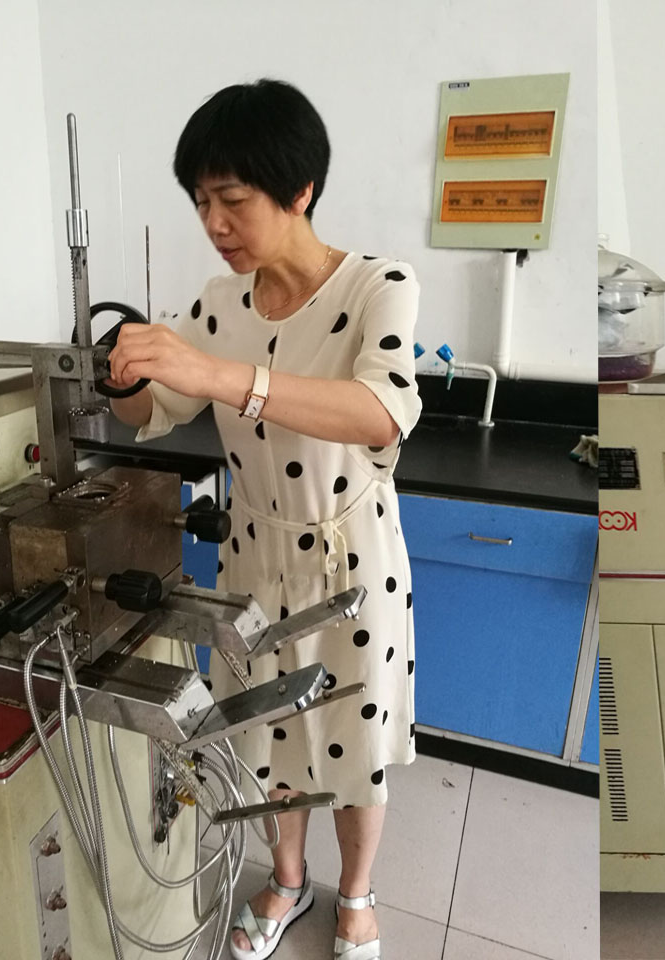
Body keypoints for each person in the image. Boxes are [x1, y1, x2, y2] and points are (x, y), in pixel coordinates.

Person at [107, 79, 421, 960]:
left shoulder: (379, 286)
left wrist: (221, 376)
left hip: (352, 558)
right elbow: (154, 411)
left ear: (299, 190)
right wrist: (124, 379)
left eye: (232, 199)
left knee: (355, 740)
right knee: (265, 734)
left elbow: (381, 411)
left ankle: (356, 894)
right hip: (253, 556)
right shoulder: (219, 300)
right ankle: (287, 880)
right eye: (200, 202)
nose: (214, 223)